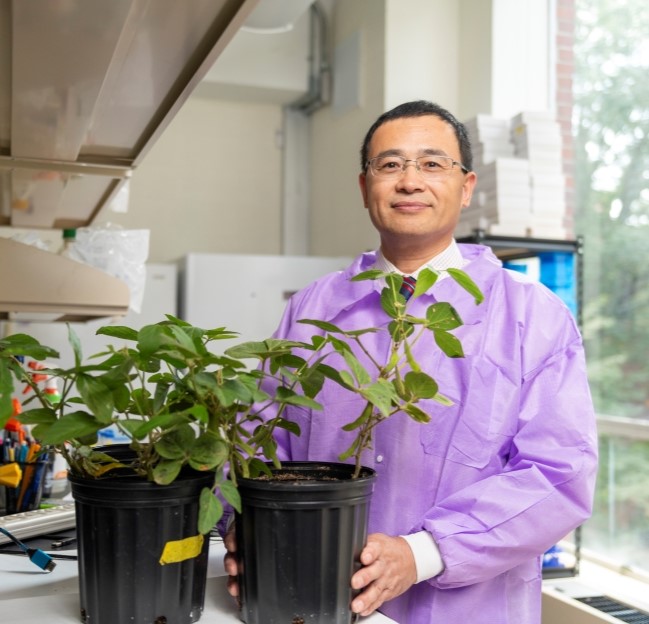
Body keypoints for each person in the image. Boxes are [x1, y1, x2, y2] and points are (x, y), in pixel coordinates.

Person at [224, 100, 598, 623]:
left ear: (465, 187)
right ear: (364, 188)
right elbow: (257, 441)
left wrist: (421, 553)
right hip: (312, 601)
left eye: (432, 164)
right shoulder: (312, 309)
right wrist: (241, 522)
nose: (409, 181)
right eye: (391, 165)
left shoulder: (533, 316)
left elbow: (559, 476)